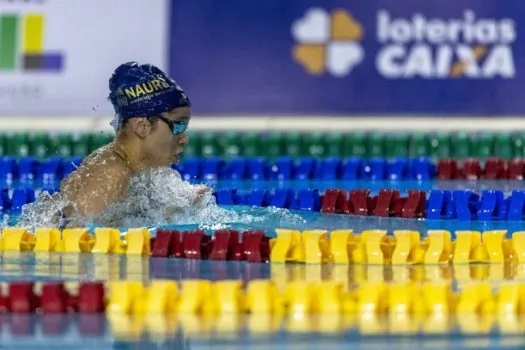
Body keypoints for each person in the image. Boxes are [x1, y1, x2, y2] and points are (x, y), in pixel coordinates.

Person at [55, 61, 210, 225]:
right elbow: (76, 238)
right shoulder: (111, 174)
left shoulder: (130, 167)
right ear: (142, 126)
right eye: (179, 126)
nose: (185, 138)